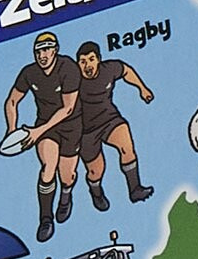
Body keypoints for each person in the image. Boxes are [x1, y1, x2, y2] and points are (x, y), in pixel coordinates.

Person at [3, 33, 85, 240]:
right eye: (38, 51)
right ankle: (46, 219)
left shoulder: (68, 68)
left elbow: (68, 108)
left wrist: (37, 131)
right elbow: (12, 101)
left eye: (46, 50)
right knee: (48, 167)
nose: (42, 55)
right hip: (46, 127)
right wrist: (11, 130)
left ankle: (65, 196)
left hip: (71, 126)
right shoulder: (29, 73)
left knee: (67, 175)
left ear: (55, 50)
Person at [66, 41, 157, 211]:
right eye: (83, 61)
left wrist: (142, 88)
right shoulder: (73, 81)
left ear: (98, 59)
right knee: (96, 171)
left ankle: (135, 189)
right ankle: (96, 193)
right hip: (85, 131)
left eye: (91, 59)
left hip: (109, 119)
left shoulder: (110, 69)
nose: (87, 65)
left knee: (126, 144)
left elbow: (126, 71)